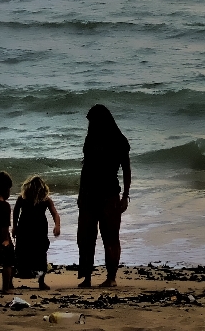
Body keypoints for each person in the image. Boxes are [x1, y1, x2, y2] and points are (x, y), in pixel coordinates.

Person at [77, 104, 131, 288]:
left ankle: (111, 277)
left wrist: (125, 195)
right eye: (89, 121)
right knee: (86, 237)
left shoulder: (119, 140)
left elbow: (126, 170)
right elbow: (86, 168)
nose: (91, 124)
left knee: (110, 237)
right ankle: (87, 278)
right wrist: (80, 195)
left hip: (109, 194)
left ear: (103, 119)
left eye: (93, 120)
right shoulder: (90, 138)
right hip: (88, 193)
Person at [13, 175, 61, 290]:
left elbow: (15, 212)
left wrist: (14, 226)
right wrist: (57, 226)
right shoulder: (43, 199)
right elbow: (55, 214)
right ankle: (41, 282)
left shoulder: (25, 198)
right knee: (39, 254)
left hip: (26, 228)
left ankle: (13, 279)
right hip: (37, 228)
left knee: (22, 252)